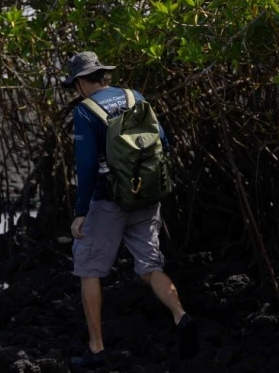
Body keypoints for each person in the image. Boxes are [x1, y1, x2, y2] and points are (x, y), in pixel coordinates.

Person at [61, 51, 198, 368]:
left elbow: (86, 166)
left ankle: (97, 349)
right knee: (149, 266)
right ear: (103, 75)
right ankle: (181, 316)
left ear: (80, 82)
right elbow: (162, 140)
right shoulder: (134, 96)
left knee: (88, 269)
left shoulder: (85, 111)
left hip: (108, 201)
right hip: (146, 195)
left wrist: (80, 212)